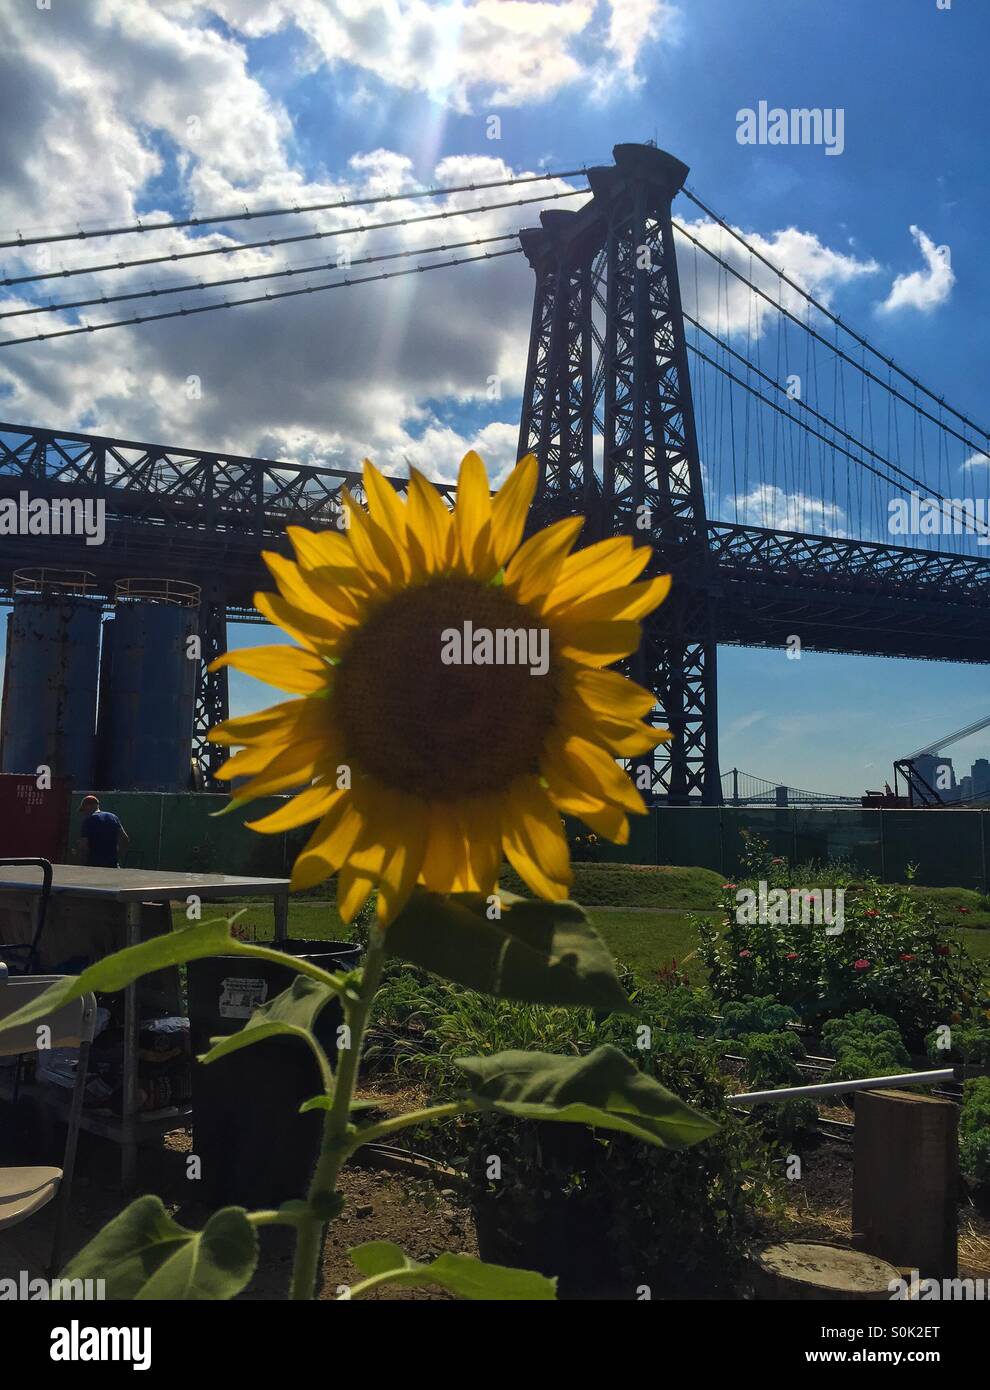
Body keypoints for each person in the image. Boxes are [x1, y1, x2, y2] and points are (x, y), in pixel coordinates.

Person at [76, 795, 129, 869]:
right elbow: (125, 839)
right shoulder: (113, 817)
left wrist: (81, 865)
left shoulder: (88, 820)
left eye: (84, 809)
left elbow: (83, 846)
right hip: (112, 865)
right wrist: (118, 857)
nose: (84, 813)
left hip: (94, 865)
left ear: (89, 806)